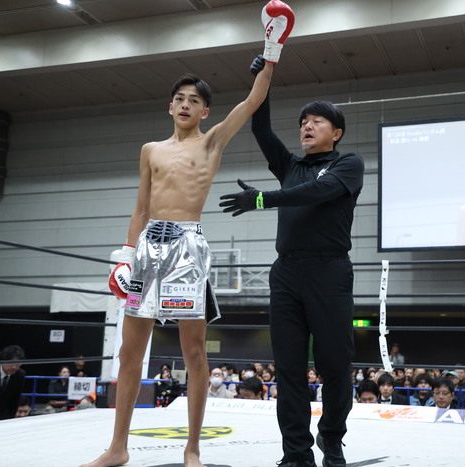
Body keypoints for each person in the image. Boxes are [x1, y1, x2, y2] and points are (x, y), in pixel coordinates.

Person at [80, 4, 292, 466]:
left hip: (187, 247)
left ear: (204, 110)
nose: (184, 105)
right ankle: (117, 448)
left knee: (194, 351)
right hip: (146, 247)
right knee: (130, 352)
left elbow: (252, 101)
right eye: (179, 98)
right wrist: (125, 257)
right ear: (169, 105)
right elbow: (140, 207)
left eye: (194, 100)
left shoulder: (211, 142)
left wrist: (271, 51)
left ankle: (192, 448)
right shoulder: (150, 150)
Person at [219, 57, 363, 467]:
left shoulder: (347, 164)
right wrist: (262, 77)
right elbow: (261, 128)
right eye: (303, 122)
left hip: (329, 271)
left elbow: (318, 193)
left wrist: (261, 199)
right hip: (286, 273)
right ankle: (296, 454)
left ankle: (331, 441)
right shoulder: (290, 166)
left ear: (336, 133)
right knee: (288, 368)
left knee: (335, 366)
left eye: (317, 121)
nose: (306, 126)